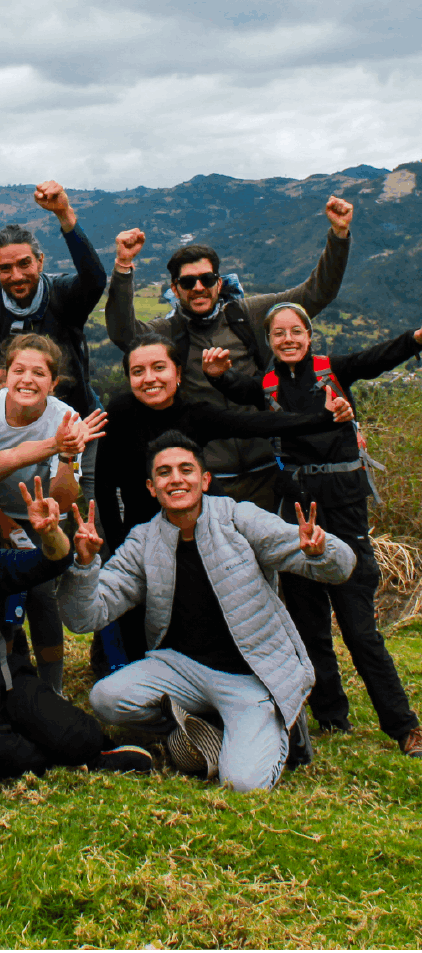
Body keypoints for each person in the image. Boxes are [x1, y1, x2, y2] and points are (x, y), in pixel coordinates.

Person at [205, 300, 422, 758]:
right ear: (270, 342)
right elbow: (238, 391)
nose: (288, 339)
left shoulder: (333, 371)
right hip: (296, 513)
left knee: (360, 629)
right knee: (308, 623)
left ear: (309, 335)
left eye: (295, 331)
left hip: (344, 513)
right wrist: (218, 374)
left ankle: (403, 727)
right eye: (278, 334)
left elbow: (374, 359)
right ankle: (331, 716)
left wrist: (419, 337)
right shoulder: (267, 384)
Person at [58, 431, 356, 793]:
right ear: (152, 488)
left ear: (205, 479)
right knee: (106, 698)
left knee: (244, 785)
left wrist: (318, 551)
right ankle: (215, 727)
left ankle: (278, 725)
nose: (177, 479)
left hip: (251, 675)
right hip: (182, 669)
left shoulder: (239, 519)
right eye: (164, 473)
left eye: (186, 469)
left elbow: (341, 566)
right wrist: (85, 565)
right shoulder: (143, 541)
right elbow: (83, 618)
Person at [91, 333, 355, 667]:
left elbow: (253, 423)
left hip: (197, 529)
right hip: (140, 531)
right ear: (129, 377)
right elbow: (104, 487)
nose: (150, 379)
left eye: (159, 368)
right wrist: (116, 544)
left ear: (177, 372)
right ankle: (128, 673)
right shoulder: (120, 412)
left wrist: (322, 418)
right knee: (134, 608)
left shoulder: (194, 414)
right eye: (138, 371)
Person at [104, 195, 354, 513]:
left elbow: (317, 293)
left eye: (206, 279)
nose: (198, 287)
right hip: (209, 480)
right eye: (188, 281)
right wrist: (123, 267)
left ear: (219, 283)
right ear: (175, 288)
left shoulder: (249, 314)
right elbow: (123, 335)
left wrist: (339, 235)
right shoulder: (167, 333)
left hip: (268, 470)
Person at [0, 477, 152, 779]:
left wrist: (51, 535)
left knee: (82, 736)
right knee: (16, 758)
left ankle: (83, 752)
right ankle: (60, 759)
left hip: (4, 675)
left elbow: (45, 562)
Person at [0, 334, 108, 695]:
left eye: (38, 373)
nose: (27, 380)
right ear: (6, 374)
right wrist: (52, 445)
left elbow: (61, 502)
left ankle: (52, 687)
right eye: (19, 370)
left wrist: (66, 456)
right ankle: (12, 675)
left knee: (41, 597)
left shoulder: (67, 419)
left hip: (37, 517)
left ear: (53, 382)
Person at [0, 180, 108, 500]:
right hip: (13, 428)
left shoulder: (61, 296)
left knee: (74, 506)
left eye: (24, 264)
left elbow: (94, 280)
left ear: (41, 262)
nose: (17, 275)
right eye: (5, 268)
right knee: (13, 504)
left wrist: (65, 215)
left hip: (75, 427)